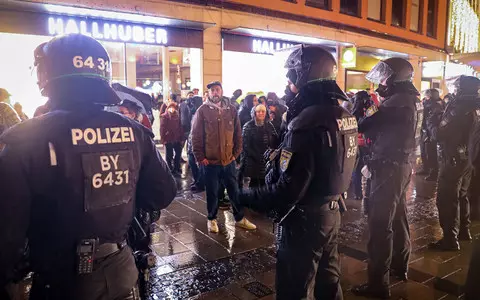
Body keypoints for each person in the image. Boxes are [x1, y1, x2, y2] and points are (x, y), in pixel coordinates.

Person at [0, 34, 177, 300]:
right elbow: (163, 194)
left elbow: (6, 236)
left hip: (60, 281)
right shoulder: (134, 132)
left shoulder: (25, 139)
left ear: (48, 76)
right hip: (121, 272)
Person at [239, 45, 357, 299]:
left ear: (304, 78)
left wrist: (247, 196)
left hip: (304, 222)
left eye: (292, 76)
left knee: (295, 289)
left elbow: (289, 189)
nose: (287, 84)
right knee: (329, 284)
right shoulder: (344, 115)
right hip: (332, 213)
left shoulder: (306, 122)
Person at [352, 58, 419, 299]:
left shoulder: (398, 102)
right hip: (400, 166)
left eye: (384, 78)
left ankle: (378, 283)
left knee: (380, 225)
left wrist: (357, 108)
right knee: (399, 217)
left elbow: (365, 125)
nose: (381, 83)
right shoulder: (408, 100)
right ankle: (400, 266)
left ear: (394, 79)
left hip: (388, 168)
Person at [191, 81, 257, 233]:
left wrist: (236, 153)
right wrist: (200, 157)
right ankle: (212, 219)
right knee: (213, 192)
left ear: (221, 91)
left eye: (217, 89)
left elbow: (238, 134)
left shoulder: (231, 110)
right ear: (208, 93)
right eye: (212, 90)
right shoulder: (202, 111)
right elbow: (196, 135)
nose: (215, 92)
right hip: (210, 162)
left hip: (229, 161)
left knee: (234, 190)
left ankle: (239, 218)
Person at [428, 76, 480, 251]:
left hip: (453, 159)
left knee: (446, 199)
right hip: (468, 159)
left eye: (456, 87)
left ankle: (450, 239)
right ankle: (464, 231)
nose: (454, 90)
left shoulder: (459, 109)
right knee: (462, 195)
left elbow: (440, 134)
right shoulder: (475, 107)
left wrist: (431, 123)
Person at [239, 104, 279, 188]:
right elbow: (245, 146)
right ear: (254, 113)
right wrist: (258, 156)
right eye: (258, 111)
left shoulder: (269, 125)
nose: (261, 113)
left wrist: (272, 153)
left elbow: (275, 140)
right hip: (253, 160)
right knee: (254, 185)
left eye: (263, 111)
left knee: (265, 184)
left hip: (267, 160)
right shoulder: (248, 126)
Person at [350, 91, 375, 201]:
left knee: (358, 169)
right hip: (367, 144)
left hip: (359, 144)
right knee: (368, 169)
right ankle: (367, 193)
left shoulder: (353, 111)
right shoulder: (370, 110)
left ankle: (358, 193)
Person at [419, 89, 444, 181]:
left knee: (431, 153)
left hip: (430, 133)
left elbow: (433, 121)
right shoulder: (428, 104)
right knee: (424, 151)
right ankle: (426, 168)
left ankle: (433, 173)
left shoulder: (435, 106)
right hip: (426, 132)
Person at [160, 102, 184, 176]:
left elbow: (180, 127)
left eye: (174, 107)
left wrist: (181, 137)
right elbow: (162, 128)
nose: (172, 108)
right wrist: (163, 139)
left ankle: (176, 167)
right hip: (168, 138)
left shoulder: (177, 116)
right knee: (169, 155)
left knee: (178, 153)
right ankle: (170, 168)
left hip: (177, 138)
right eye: (171, 107)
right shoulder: (164, 116)